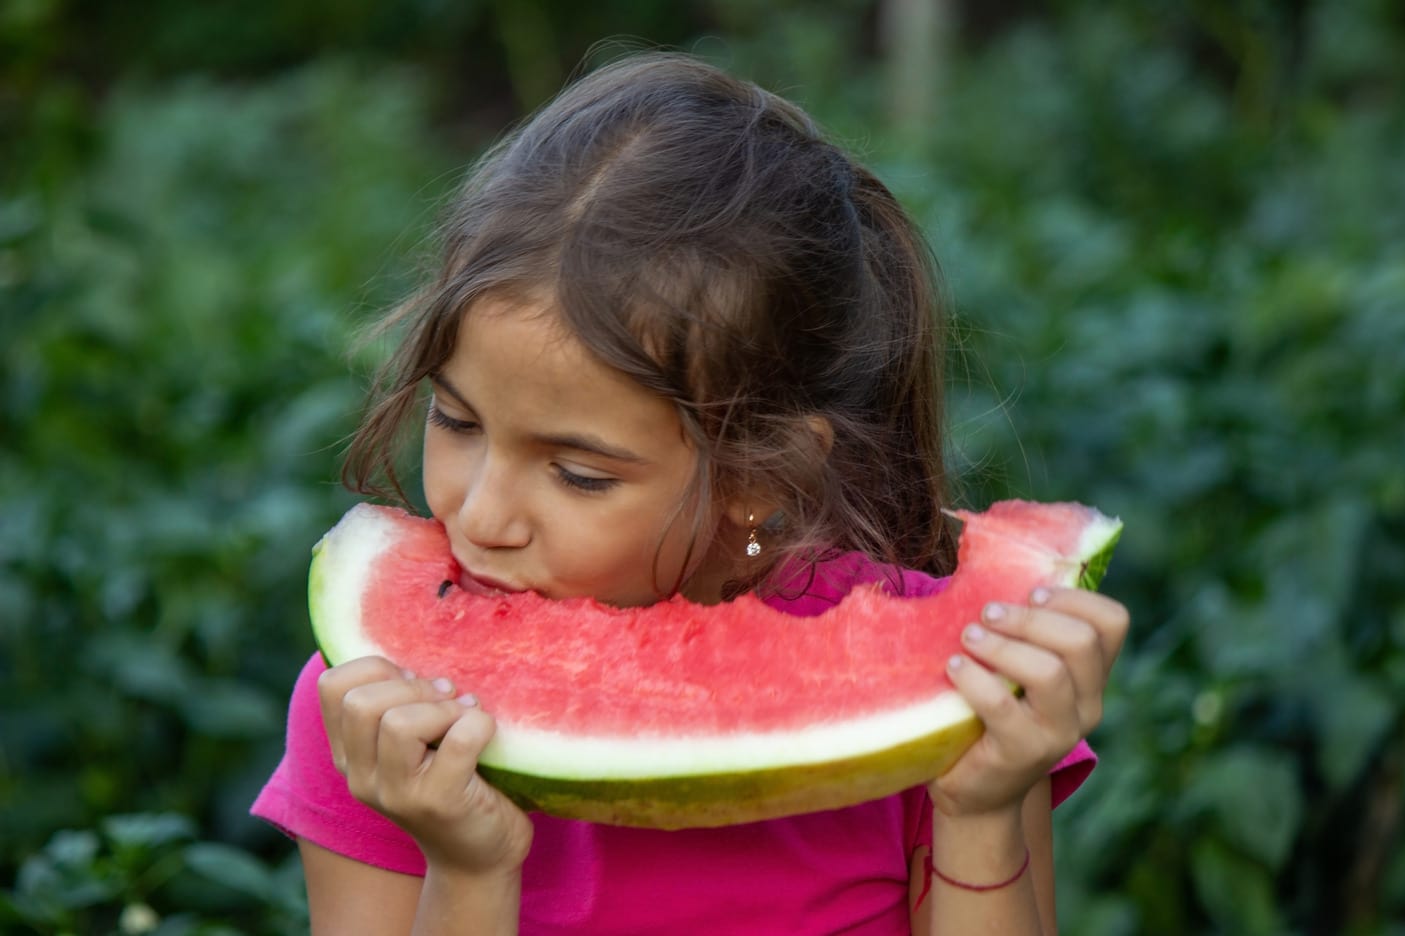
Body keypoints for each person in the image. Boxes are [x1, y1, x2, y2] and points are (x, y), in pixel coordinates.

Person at [250, 52, 1129, 935]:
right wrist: (467, 869)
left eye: (577, 473)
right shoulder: (371, 712)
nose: (479, 516)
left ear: (754, 478)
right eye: (457, 419)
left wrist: (978, 814)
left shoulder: (957, 692)